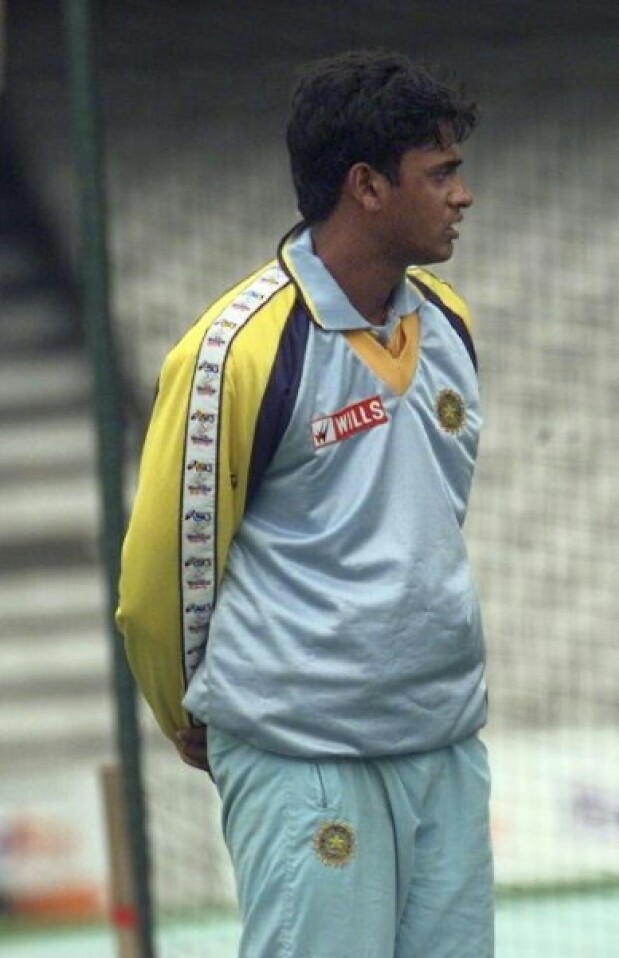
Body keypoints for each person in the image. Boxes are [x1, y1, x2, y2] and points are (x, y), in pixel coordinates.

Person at [116, 51, 491, 957]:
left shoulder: (447, 323)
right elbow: (162, 577)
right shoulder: (233, 352)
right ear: (366, 185)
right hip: (305, 758)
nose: (463, 195)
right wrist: (192, 714)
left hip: (443, 745)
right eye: (440, 173)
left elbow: (428, 523)